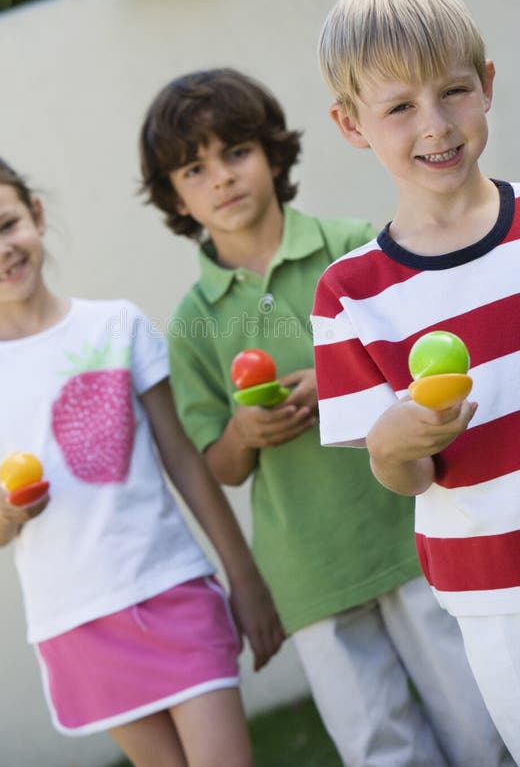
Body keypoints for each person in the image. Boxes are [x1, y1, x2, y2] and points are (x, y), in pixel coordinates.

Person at [139, 67, 511, 767]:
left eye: (236, 152)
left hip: (407, 539)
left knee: (480, 727)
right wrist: (244, 434)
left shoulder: (352, 250)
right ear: (174, 197)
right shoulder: (193, 321)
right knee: (380, 748)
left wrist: (335, 382)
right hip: (309, 571)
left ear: (274, 154)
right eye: (194, 168)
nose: (221, 178)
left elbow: (415, 374)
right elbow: (215, 462)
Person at [0, 148, 285, 767]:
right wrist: (9, 511)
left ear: (35, 215)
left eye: (7, 225)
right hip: (78, 624)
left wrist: (243, 577)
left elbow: (183, 459)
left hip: (173, 590)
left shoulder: (117, 326)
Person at [312, 0, 520, 764]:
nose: (435, 125)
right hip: (494, 593)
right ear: (351, 124)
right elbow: (401, 475)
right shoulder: (352, 296)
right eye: (399, 107)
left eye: (454, 92)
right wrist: (397, 441)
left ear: (488, 85)